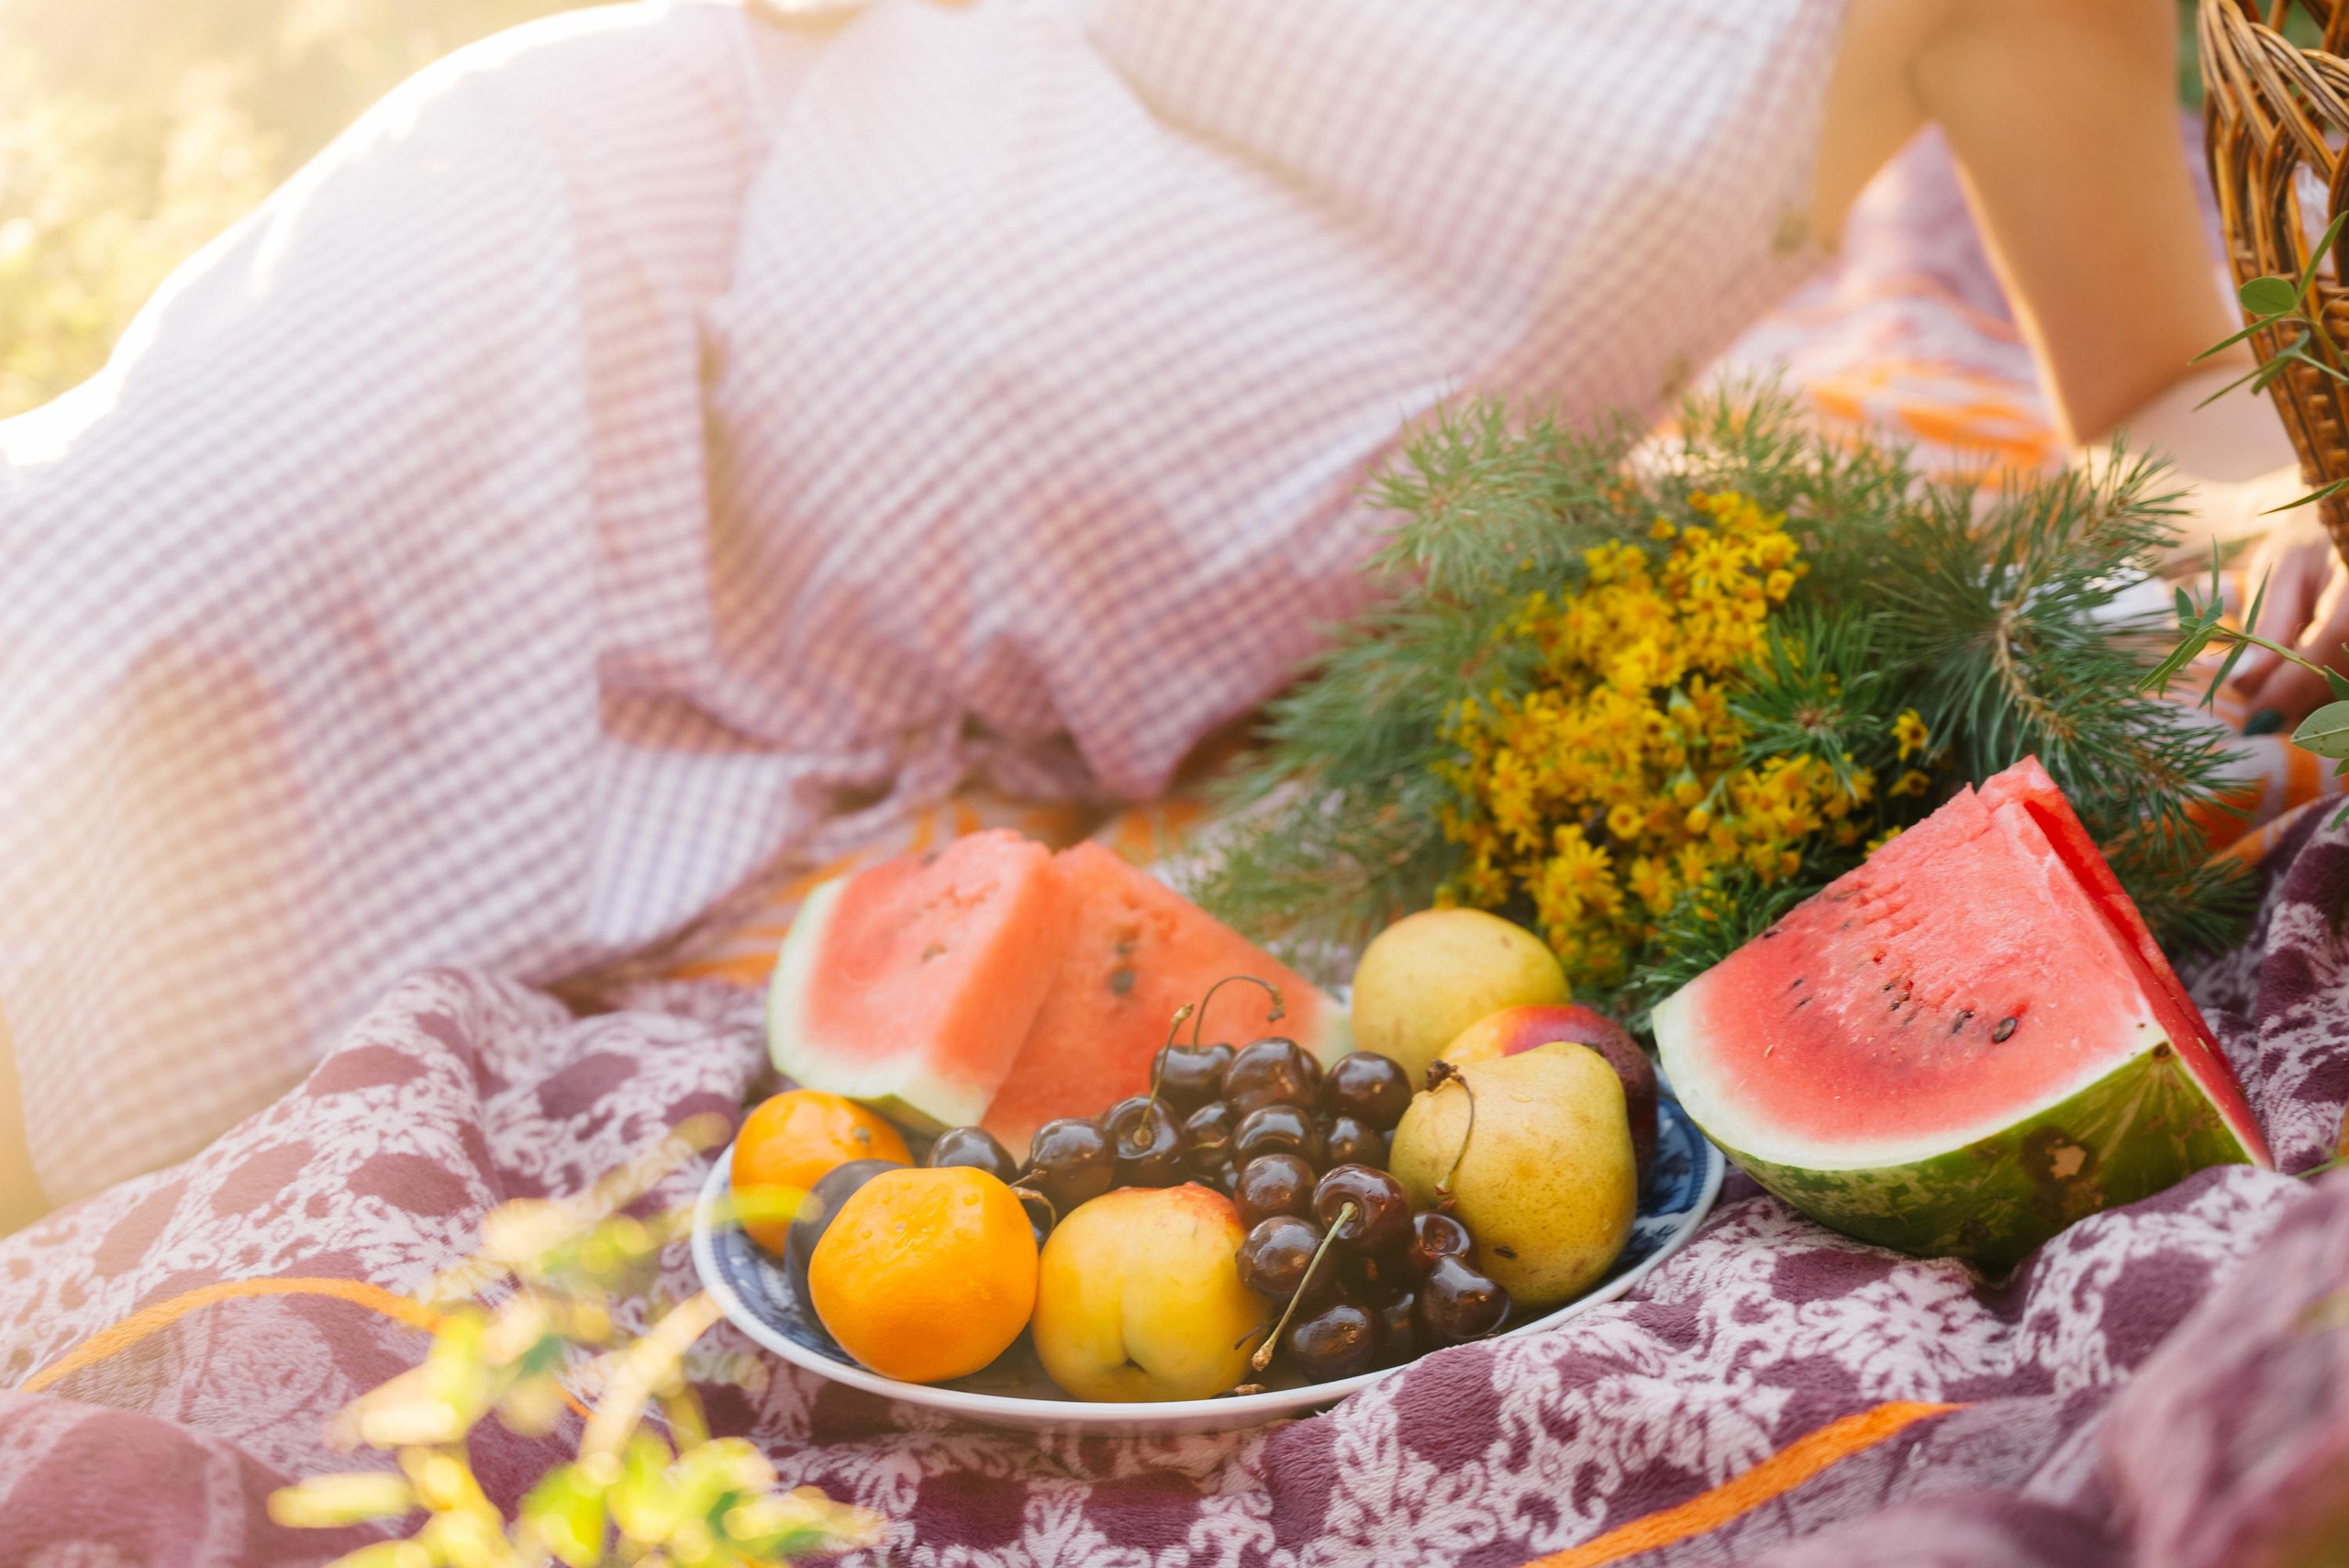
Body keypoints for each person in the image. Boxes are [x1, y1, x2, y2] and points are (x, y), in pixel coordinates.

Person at [0, 0, 2308, 1222]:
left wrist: (2304, 511)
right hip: (601, 272)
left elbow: (2145, 392)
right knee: (97, 676)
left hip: (863, 683)